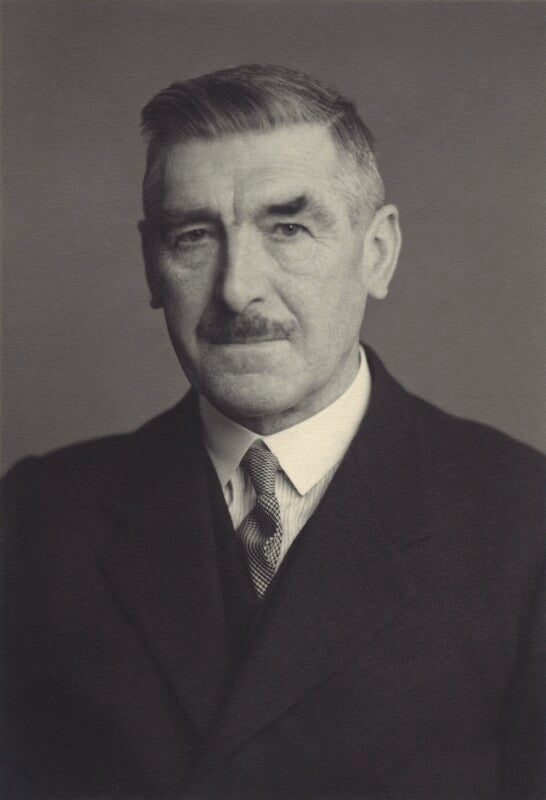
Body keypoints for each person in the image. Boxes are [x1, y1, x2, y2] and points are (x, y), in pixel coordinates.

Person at [1, 64, 544, 800]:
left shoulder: (525, 520)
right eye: (194, 236)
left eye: (288, 228)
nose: (237, 288)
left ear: (377, 253)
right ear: (152, 266)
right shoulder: (36, 519)